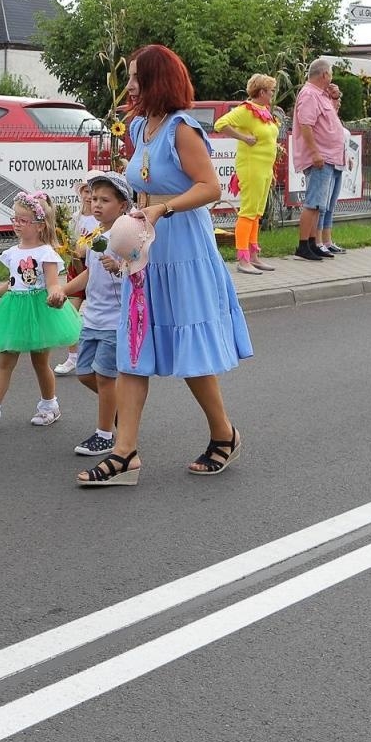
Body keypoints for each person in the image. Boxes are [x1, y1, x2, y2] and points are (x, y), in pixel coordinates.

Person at [79, 44, 252, 487]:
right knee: (134, 348)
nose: (131, 84)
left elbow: (210, 187)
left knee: (189, 350)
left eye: (138, 76)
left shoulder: (181, 128)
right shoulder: (140, 126)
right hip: (146, 249)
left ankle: (224, 434)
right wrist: (126, 242)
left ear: (158, 80)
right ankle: (125, 453)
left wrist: (162, 210)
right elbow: (139, 190)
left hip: (183, 248)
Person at [0, 191, 82, 430]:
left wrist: (55, 293)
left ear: (39, 225)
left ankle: (49, 405)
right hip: (14, 309)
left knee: (40, 362)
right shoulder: (13, 252)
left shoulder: (46, 253)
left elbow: (52, 282)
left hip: (38, 311)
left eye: (23, 220)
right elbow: (13, 281)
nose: (16, 224)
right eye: (15, 219)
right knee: (5, 360)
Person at [59, 170, 132, 458]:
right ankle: (117, 410)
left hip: (116, 320)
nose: (97, 204)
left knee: (104, 376)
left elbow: (140, 271)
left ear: (123, 205)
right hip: (92, 318)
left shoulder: (127, 235)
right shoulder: (95, 236)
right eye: (94, 198)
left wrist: (121, 268)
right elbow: (89, 273)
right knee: (85, 372)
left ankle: (105, 434)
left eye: (105, 200)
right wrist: (64, 291)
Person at [213, 74, 280, 275]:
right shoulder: (246, 110)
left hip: (265, 167)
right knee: (248, 211)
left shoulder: (264, 111)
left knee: (257, 213)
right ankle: (242, 259)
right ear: (261, 92)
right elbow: (220, 124)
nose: (272, 94)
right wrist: (243, 137)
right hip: (252, 167)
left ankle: (253, 255)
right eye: (271, 91)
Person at [292, 58, 343, 262]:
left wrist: (335, 96)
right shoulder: (309, 94)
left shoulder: (321, 95)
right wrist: (315, 153)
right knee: (312, 203)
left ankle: (313, 243)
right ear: (324, 75)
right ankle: (303, 245)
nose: (331, 78)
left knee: (319, 205)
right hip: (320, 157)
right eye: (330, 74)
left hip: (329, 156)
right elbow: (306, 125)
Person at [54, 181, 95, 374]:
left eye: (93, 193)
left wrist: (86, 249)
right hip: (76, 267)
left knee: (98, 313)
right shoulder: (75, 218)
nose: (89, 197)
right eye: (86, 192)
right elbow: (70, 241)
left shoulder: (100, 218)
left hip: (96, 268)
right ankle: (73, 357)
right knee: (71, 313)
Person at [316, 86, 356, 257]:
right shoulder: (325, 118)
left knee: (331, 205)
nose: (339, 102)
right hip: (328, 164)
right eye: (336, 99)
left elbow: (340, 141)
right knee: (321, 206)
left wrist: (347, 157)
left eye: (339, 99)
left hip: (339, 165)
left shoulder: (336, 120)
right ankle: (317, 241)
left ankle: (327, 240)